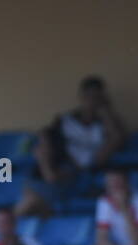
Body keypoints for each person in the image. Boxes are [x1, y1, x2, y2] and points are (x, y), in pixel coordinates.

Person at [19, 75, 126, 216]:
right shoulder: (66, 120)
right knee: (31, 196)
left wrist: (105, 112)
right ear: (81, 97)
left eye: (96, 97)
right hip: (60, 168)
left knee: (30, 202)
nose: (92, 101)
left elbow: (117, 139)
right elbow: (46, 137)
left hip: (83, 173)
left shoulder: (107, 124)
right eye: (88, 96)